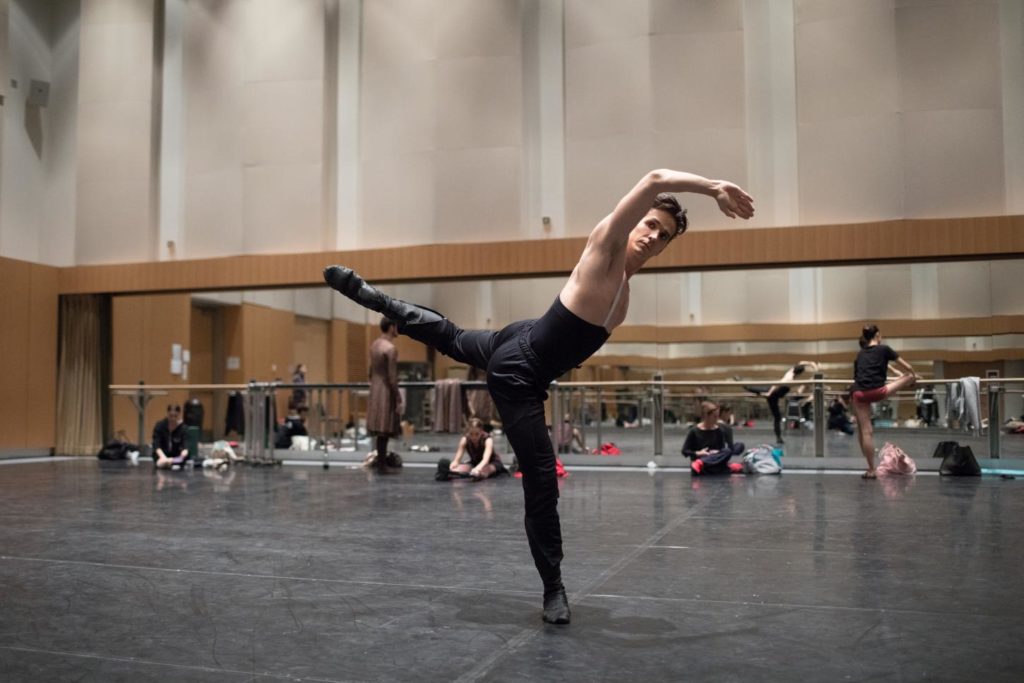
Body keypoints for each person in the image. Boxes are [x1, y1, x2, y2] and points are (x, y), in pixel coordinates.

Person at [324, 168, 754, 624]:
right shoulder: (607, 246)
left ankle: (374, 298)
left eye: (663, 235)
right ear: (632, 223)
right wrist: (713, 188)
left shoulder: (624, 290)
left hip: (525, 336)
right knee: (542, 482)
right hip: (519, 372)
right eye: (649, 224)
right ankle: (554, 589)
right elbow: (654, 178)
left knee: (450, 335)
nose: (653, 235)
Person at [850, 324, 918, 479]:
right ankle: (913, 380)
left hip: (859, 393)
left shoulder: (860, 354)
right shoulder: (885, 349)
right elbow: (907, 366)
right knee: (908, 376)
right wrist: (913, 374)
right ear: (878, 335)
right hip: (878, 392)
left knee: (866, 432)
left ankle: (871, 469)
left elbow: (858, 376)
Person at [746, 361, 818, 444]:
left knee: (777, 417)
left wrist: (811, 363)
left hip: (775, 396)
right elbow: (776, 385)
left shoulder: (791, 371)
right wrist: (769, 393)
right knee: (760, 390)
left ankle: (779, 438)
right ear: (799, 373)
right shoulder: (789, 379)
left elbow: (801, 363)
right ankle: (746, 386)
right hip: (773, 395)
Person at [367, 317, 403, 473]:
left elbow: (371, 371)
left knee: (379, 428)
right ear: (391, 327)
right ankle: (382, 465)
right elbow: (392, 377)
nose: (398, 329)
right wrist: (399, 398)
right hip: (385, 389)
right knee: (384, 427)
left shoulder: (374, 345)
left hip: (375, 388)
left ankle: (381, 462)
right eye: (396, 326)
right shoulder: (390, 348)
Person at [681, 402, 745, 475]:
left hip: (714, 461)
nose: (716, 419)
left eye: (717, 416)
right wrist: (698, 453)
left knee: (727, 451)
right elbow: (685, 451)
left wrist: (717, 452)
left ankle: (703, 463)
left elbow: (722, 451)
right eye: (714, 416)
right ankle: (702, 463)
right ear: (706, 416)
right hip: (702, 462)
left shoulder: (719, 430)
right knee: (726, 461)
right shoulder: (694, 431)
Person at [439, 418, 507, 481]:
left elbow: (485, 460)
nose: (474, 437)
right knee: (456, 470)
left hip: (491, 463)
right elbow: (456, 460)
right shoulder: (465, 439)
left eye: (477, 434)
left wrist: (477, 469)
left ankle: (476, 474)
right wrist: (452, 467)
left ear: (481, 431)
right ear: (468, 432)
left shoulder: (487, 439)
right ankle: (468, 474)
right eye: (471, 434)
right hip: (474, 463)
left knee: (483, 471)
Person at [152, 404, 188, 470]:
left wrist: (182, 455)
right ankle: (169, 463)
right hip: (162, 456)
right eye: (171, 416)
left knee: (183, 460)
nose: (173, 418)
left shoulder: (183, 428)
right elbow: (156, 446)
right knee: (161, 463)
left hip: (176, 457)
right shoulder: (160, 426)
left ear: (179, 415)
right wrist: (164, 458)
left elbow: (185, 446)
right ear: (167, 414)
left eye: (175, 416)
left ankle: (170, 463)